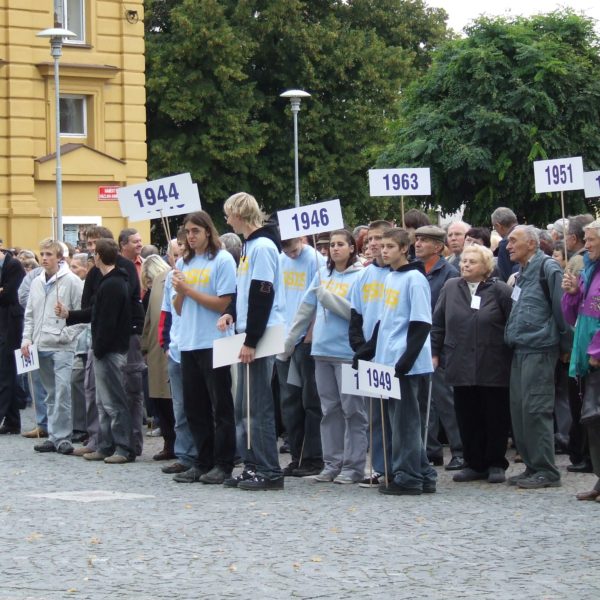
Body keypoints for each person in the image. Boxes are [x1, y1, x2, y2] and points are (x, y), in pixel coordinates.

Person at [284, 230, 366, 484]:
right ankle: (332, 463)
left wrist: (328, 299)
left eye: (341, 244)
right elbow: (305, 309)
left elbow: (357, 314)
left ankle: (353, 466)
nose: (335, 248)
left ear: (352, 248)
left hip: (347, 354)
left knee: (353, 411)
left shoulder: (361, 276)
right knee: (329, 410)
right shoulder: (323, 274)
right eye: (332, 245)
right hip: (321, 352)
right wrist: (288, 342)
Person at [218, 192, 285, 491]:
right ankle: (252, 464)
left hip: (261, 333)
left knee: (258, 406)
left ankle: (269, 469)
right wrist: (231, 312)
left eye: (228, 214)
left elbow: (262, 293)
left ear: (239, 214)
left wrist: (252, 339)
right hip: (249, 332)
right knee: (244, 406)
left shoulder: (263, 247)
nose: (227, 220)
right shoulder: (249, 247)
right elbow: (244, 290)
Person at [432, 245, 513, 483]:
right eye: (464, 261)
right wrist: (434, 352)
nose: (465, 265)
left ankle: (496, 463)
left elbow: (512, 322)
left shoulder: (500, 290)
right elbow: (438, 323)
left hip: (493, 362)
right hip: (460, 361)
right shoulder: (450, 287)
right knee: (467, 415)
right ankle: (474, 463)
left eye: (472, 262)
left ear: (485, 267)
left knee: (495, 415)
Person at [172, 211, 237, 484]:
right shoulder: (183, 262)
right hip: (189, 341)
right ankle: (203, 460)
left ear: (208, 231)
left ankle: (224, 462)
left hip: (215, 340)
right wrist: (179, 291)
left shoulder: (221, 260)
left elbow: (224, 303)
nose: (191, 236)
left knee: (220, 406)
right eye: (187, 231)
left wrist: (188, 291)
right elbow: (178, 308)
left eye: (195, 231)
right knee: (194, 407)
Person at [371, 228, 437, 495]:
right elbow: (385, 320)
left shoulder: (415, 279)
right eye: (382, 246)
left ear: (403, 249)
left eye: (390, 246)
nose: (384, 250)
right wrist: (367, 349)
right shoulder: (390, 277)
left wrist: (405, 362)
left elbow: (421, 323)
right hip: (389, 359)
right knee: (396, 420)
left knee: (406, 422)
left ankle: (408, 477)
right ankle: (423, 472)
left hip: (406, 363)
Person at [58, 238, 135, 463]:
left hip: (109, 350)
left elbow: (107, 321)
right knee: (104, 402)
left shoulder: (112, 284)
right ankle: (106, 446)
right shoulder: (111, 282)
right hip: (106, 348)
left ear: (98, 256)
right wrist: (70, 315)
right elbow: (95, 312)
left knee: (114, 402)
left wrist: (99, 348)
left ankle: (123, 448)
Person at [504, 225, 569, 489]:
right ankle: (532, 466)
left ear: (531, 244)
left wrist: (567, 347)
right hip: (520, 349)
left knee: (536, 409)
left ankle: (546, 470)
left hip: (540, 349)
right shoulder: (522, 273)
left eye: (513, 241)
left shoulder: (548, 269)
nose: (508, 246)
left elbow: (562, 310)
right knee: (519, 411)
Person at [21, 239, 84, 454]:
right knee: (49, 393)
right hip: (40, 344)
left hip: (62, 346)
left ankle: (63, 437)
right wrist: (26, 339)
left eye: (49, 254)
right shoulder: (36, 282)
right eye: (42, 254)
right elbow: (30, 314)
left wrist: (67, 334)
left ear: (59, 258)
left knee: (63, 392)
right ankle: (52, 434)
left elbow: (82, 314)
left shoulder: (72, 281)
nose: (44, 258)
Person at [413, 225, 463, 470]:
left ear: (437, 246)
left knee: (446, 401)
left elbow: (449, 315)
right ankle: (430, 449)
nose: (417, 244)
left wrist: (437, 349)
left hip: (440, 345)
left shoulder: (450, 274)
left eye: (424, 240)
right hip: (417, 343)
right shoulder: (414, 270)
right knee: (424, 401)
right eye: (417, 239)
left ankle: (460, 451)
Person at [275, 237, 325, 478]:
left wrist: (311, 332)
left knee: (311, 401)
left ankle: (313, 457)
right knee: (290, 402)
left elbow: (318, 299)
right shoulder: (280, 260)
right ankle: (297, 456)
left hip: (305, 339)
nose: (292, 255)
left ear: (302, 239)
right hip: (284, 340)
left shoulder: (316, 260)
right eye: (288, 251)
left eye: (295, 249)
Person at [349, 220, 392, 485]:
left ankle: (398, 465)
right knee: (375, 415)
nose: (374, 244)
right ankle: (379, 465)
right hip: (369, 354)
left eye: (379, 239)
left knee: (395, 415)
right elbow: (356, 313)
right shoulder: (364, 274)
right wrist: (358, 346)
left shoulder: (400, 275)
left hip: (393, 353)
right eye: (370, 240)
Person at [561, 219, 600, 501]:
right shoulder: (589, 270)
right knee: (593, 420)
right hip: (587, 356)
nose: (586, 245)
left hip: (596, 355)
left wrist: (597, 351)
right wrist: (573, 294)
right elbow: (574, 316)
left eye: (591, 240)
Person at [140, 255, 175, 462]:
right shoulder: (160, 282)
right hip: (158, 347)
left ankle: (176, 444)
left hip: (169, 346)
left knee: (171, 401)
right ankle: (170, 442)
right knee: (162, 400)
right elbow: (149, 319)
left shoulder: (170, 279)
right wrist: (145, 346)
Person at [0, 247, 26, 434]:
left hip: (11, 326)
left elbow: (10, 294)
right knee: (7, 372)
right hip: (4, 324)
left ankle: (8, 418)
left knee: (6, 371)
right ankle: (12, 421)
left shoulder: (13, 265)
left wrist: (4, 290)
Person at [491, 207, 519, 282]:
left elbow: (504, 276)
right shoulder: (533, 233)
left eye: (495, 228)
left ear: (498, 226)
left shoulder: (506, 243)